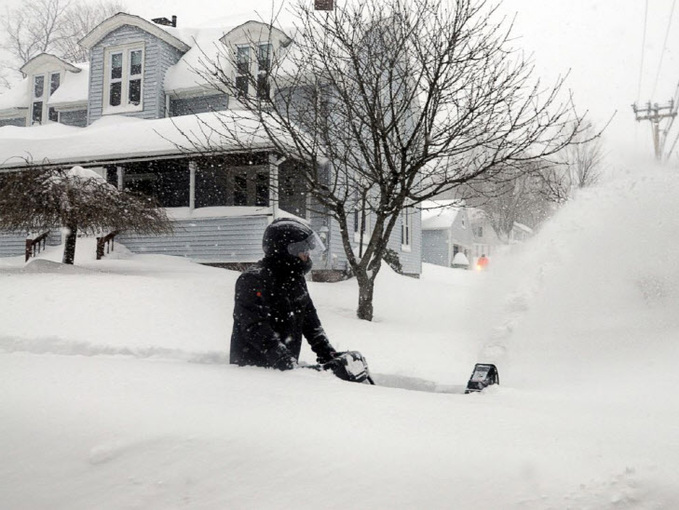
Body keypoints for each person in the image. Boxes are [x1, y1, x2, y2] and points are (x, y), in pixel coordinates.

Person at [230, 218, 337, 370]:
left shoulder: (295, 279)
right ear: (285, 250)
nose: (307, 254)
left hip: (285, 371)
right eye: (302, 249)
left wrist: (327, 352)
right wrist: (283, 359)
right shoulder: (253, 280)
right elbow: (254, 327)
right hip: (252, 371)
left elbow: (310, 320)